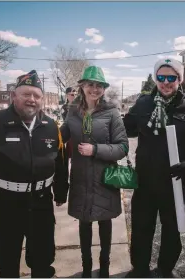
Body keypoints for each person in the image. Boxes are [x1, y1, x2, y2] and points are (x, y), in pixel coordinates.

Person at [0, 70, 69, 278]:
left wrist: (61, 190)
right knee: (7, 263)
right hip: (5, 205)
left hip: (41, 203)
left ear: (42, 100)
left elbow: (60, 161)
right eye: (26, 94)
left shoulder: (51, 126)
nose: (32, 100)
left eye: (36, 96)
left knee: (43, 260)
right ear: (13, 97)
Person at [123, 58, 185, 278]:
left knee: (171, 228)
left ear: (179, 79)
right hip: (144, 179)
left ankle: (165, 269)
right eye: (161, 77)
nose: (165, 82)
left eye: (171, 78)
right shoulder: (143, 104)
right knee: (142, 226)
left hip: (175, 180)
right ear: (156, 78)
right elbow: (126, 128)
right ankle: (140, 268)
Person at [61, 66, 129, 278]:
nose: (94, 89)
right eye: (90, 84)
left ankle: (105, 265)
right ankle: (87, 266)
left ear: (103, 89)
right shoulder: (72, 112)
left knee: (105, 221)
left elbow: (122, 147)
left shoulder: (111, 113)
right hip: (81, 178)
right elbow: (59, 137)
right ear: (82, 86)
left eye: (99, 85)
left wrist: (96, 149)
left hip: (104, 179)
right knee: (84, 222)